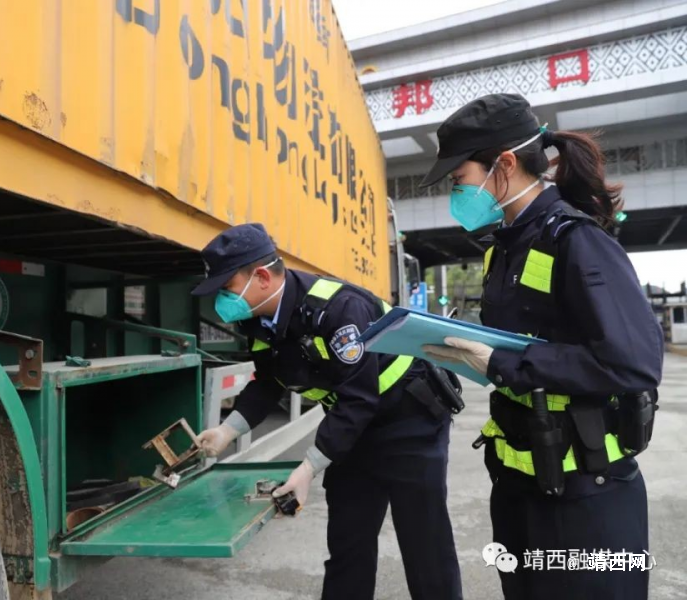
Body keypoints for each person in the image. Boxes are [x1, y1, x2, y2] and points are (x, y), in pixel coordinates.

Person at [421, 93, 663, 600]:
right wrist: (472, 357)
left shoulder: (577, 241)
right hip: (520, 490)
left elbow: (634, 363)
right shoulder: (502, 252)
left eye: (459, 177)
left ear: (503, 165)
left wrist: (508, 362)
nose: (456, 191)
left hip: (586, 501)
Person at [192, 223, 463, 600]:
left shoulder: (337, 308)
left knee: (424, 544)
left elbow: (358, 397)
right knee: (348, 545)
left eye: (227, 287)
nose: (223, 299)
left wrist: (306, 469)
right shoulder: (257, 319)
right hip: (352, 431)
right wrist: (227, 431)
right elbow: (268, 381)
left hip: (409, 420)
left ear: (262, 277)